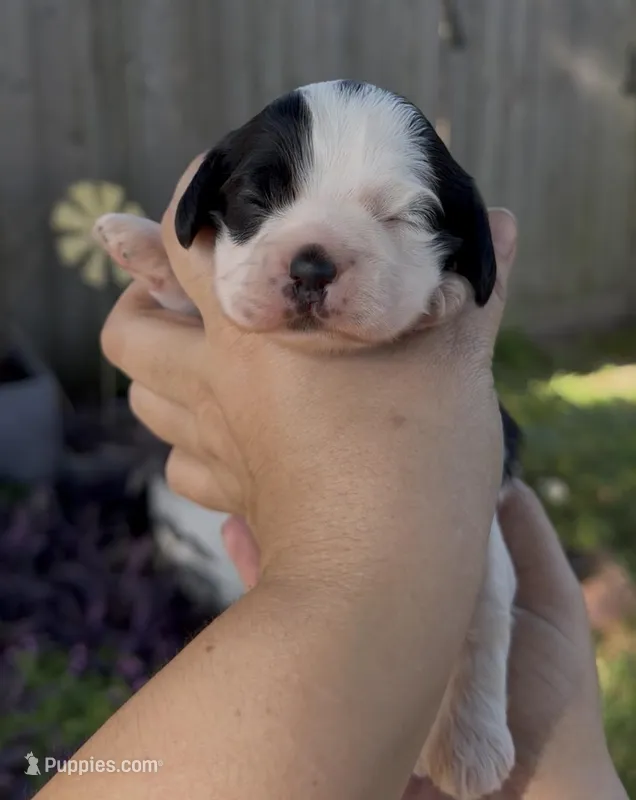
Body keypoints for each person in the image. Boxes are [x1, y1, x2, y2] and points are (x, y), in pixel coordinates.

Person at [36, 156, 627, 800]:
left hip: (453, 530)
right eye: (263, 203)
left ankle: (470, 716)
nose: (314, 268)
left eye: (397, 217)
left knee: (479, 560)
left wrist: (338, 578)